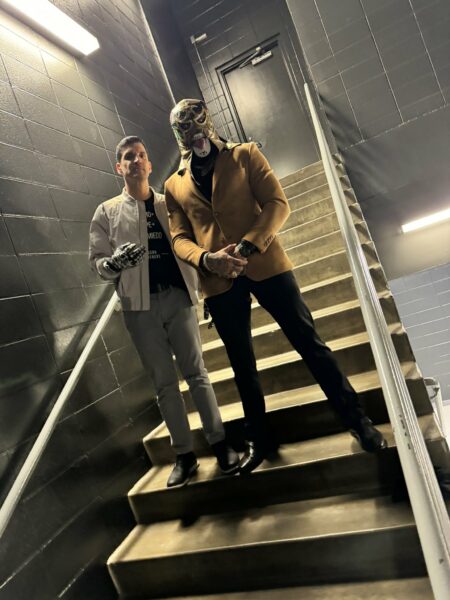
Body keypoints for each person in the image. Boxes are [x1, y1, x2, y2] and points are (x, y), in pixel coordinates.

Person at [165, 99, 387, 474]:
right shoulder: (174, 184)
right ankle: (260, 439)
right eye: (185, 127)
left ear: (208, 120)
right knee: (242, 366)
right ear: (178, 134)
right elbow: (179, 238)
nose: (195, 132)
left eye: (198, 122)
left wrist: (249, 245)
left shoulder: (245, 155)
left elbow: (277, 203)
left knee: (309, 343)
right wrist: (207, 259)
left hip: (266, 264)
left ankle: (357, 420)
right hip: (219, 281)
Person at [89, 135, 239, 487]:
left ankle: (220, 444)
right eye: (129, 157)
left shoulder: (169, 204)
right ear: (119, 167)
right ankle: (184, 455)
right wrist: (114, 263)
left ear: (150, 164)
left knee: (197, 374)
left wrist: (207, 290)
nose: (136, 161)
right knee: (164, 384)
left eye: (141, 155)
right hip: (139, 308)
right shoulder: (106, 212)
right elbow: (98, 263)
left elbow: (194, 244)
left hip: (178, 297)